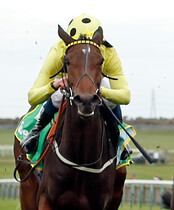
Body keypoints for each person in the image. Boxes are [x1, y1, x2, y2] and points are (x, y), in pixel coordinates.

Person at [20, 14, 130, 154]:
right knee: (57, 94)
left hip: (94, 86)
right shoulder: (59, 50)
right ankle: (36, 132)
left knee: (108, 86)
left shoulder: (108, 52)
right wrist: (53, 86)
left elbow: (125, 96)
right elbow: (33, 97)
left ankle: (119, 135)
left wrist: (102, 92)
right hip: (67, 84)